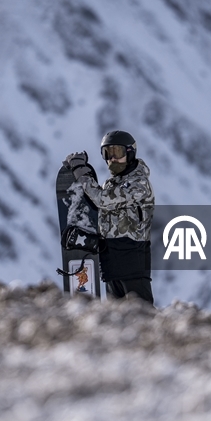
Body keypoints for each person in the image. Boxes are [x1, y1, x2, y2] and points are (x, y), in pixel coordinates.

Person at [63, 130, 155, 304]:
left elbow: (102, 200)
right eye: (107, 153)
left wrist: (81, 172)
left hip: (132, 264)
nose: (112, 158)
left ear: (130, 153)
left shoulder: (139, 183)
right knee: (118, 321)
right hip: (111, 265)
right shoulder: (111, 184)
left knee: (143, 316)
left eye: (117, 152)